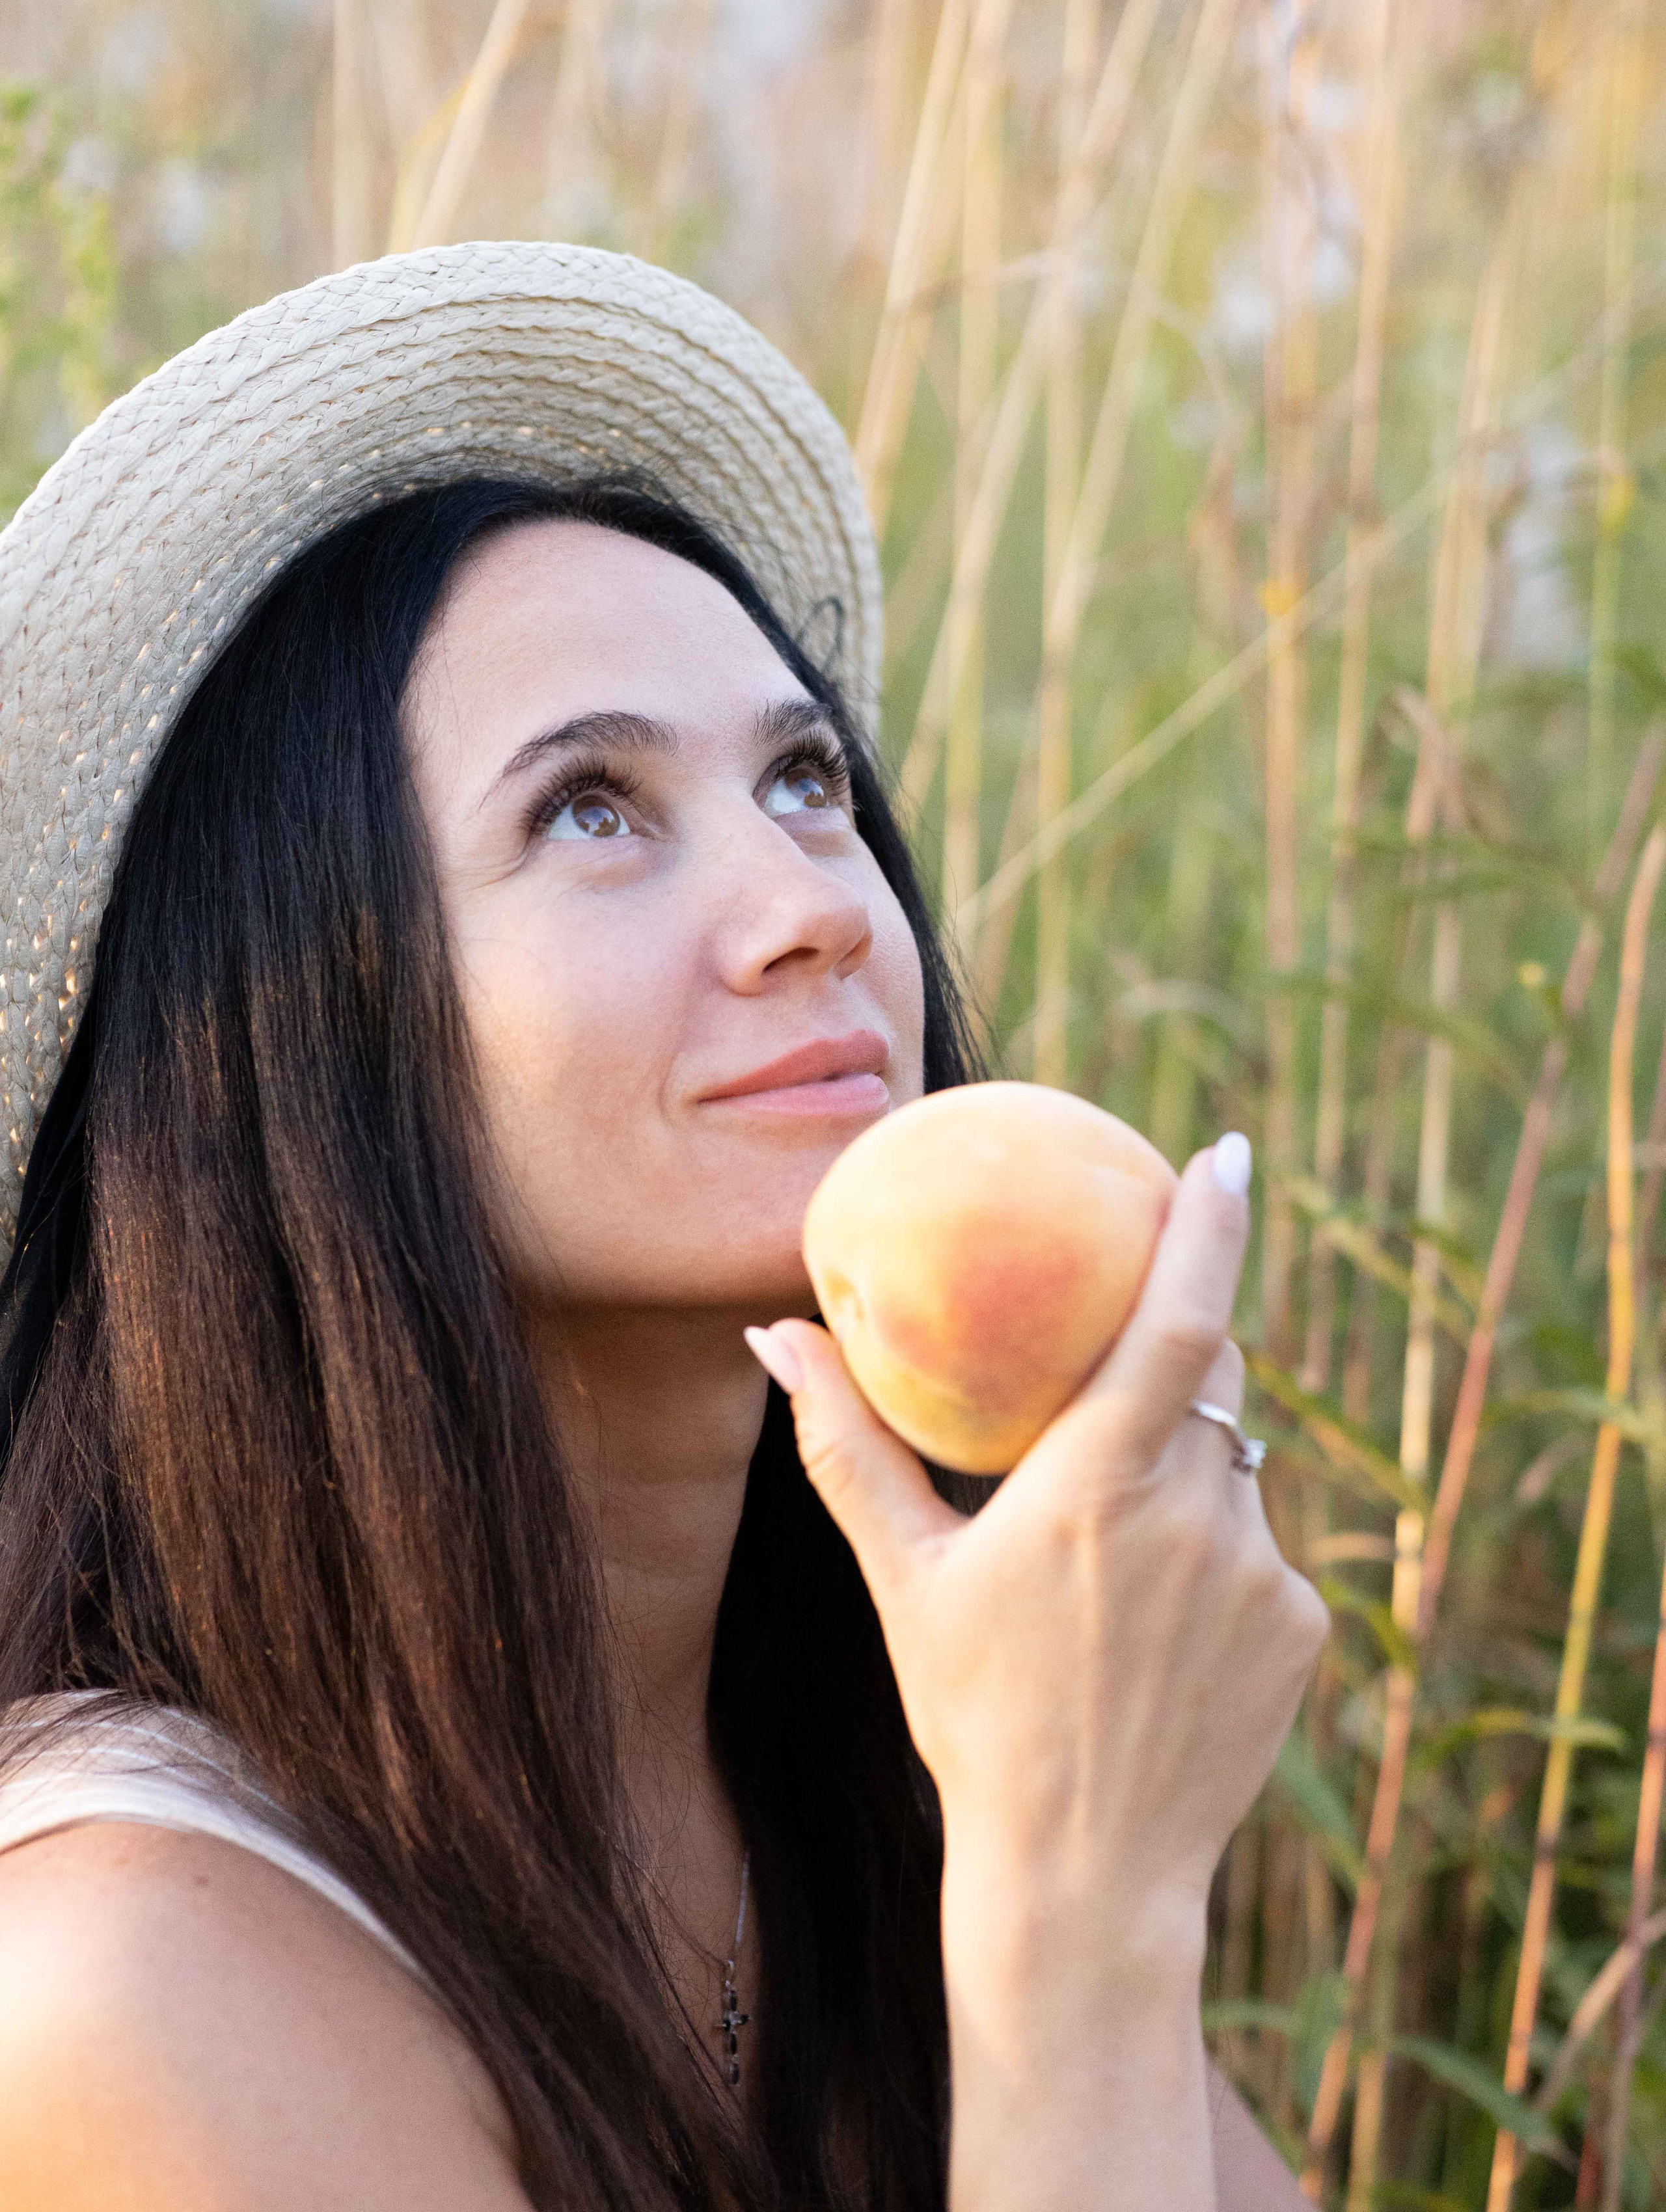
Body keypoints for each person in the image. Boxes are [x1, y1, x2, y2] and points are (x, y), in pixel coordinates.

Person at [0, 244, 1327, 2210]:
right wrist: (1083, 1921)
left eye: (805, 779)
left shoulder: (869, 1771)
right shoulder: (136, 1990)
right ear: (288, 1039)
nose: (819, 902)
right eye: (591, 811)